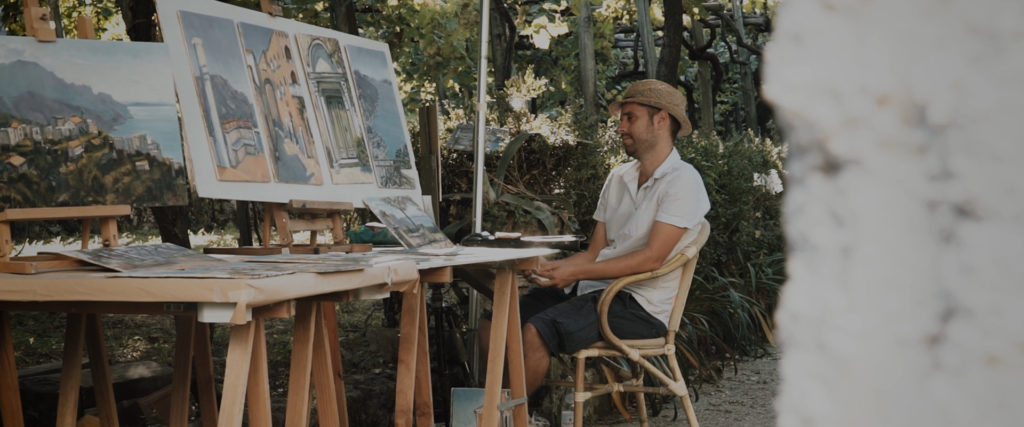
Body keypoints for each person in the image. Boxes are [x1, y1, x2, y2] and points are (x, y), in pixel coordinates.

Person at [479, 79, 712, 396]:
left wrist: (574, 272)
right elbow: (594, 252)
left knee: (535, 332)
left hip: (640, 306)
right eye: (621, 119)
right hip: (594, 291)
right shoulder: (619, 177)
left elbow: (652, 258)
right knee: (494, 324)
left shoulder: (683, 181)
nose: (620, 127)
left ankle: (504, 416)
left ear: (661, 119)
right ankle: (514, 410)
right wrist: (553, 269)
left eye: (630, 117)